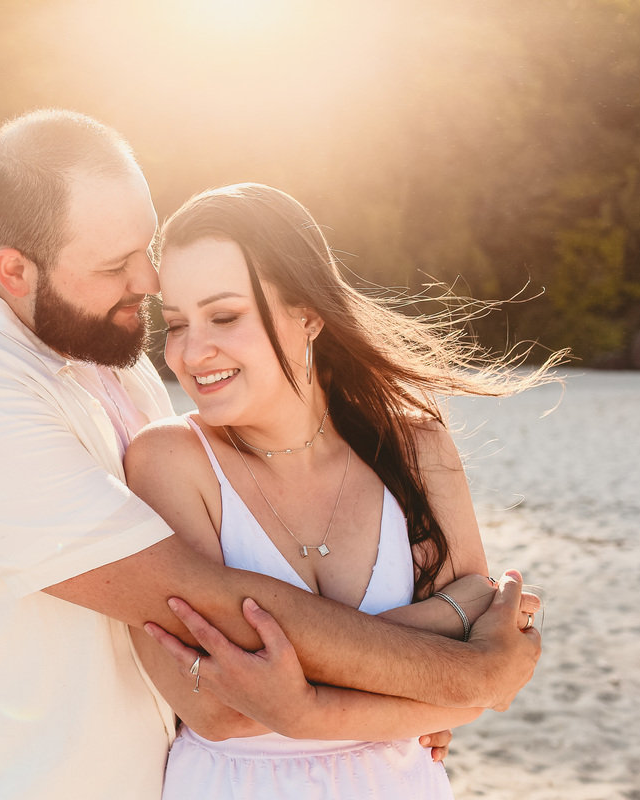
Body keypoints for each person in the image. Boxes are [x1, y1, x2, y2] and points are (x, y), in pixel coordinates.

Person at [0, 110, 541, 800]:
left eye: (145, 247)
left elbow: (248, 661)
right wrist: (468, 670)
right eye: (114, 264)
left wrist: (403, 700)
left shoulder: (108, 358)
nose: (149, 282)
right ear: (14, 270)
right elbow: (213, 612)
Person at [129, 182, 554, 798]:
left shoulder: (417, 448)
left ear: (308, 314)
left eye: (224, 316)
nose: (192, 352)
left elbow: (472, 693)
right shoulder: (168, 461)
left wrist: (299, 703)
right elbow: (212, 709)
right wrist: (445, 633)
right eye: (174, 324)